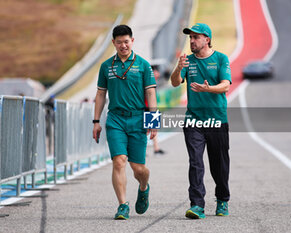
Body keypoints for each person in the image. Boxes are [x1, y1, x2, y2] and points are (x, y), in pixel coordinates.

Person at [92, 25, 157, 220]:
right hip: (115, 119)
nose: (123, 45)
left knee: (139, 169)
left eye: (126, 41)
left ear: (132, 41)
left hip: (138, 119)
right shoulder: (106, 66)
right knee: (119, 161)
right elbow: (101, 94)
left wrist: (153, 121)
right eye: (119, 42)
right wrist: (96, 121)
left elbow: (151, 92)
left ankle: (144, 187)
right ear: (114, 43)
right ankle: (122, 205)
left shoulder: (143, 65)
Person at [170, 23, 232, 219]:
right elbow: (174, 82)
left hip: (217, 120)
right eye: (190, 37)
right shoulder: (187, 61)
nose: (192, 41)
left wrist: (208, 89)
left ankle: (222, 200)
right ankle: (197, 204)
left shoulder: (221, 59)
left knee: (219, 164)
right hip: (193, 121)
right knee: (195, 162)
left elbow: (225, 86)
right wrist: (178, 68)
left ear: (207, 39)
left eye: (196, 37)